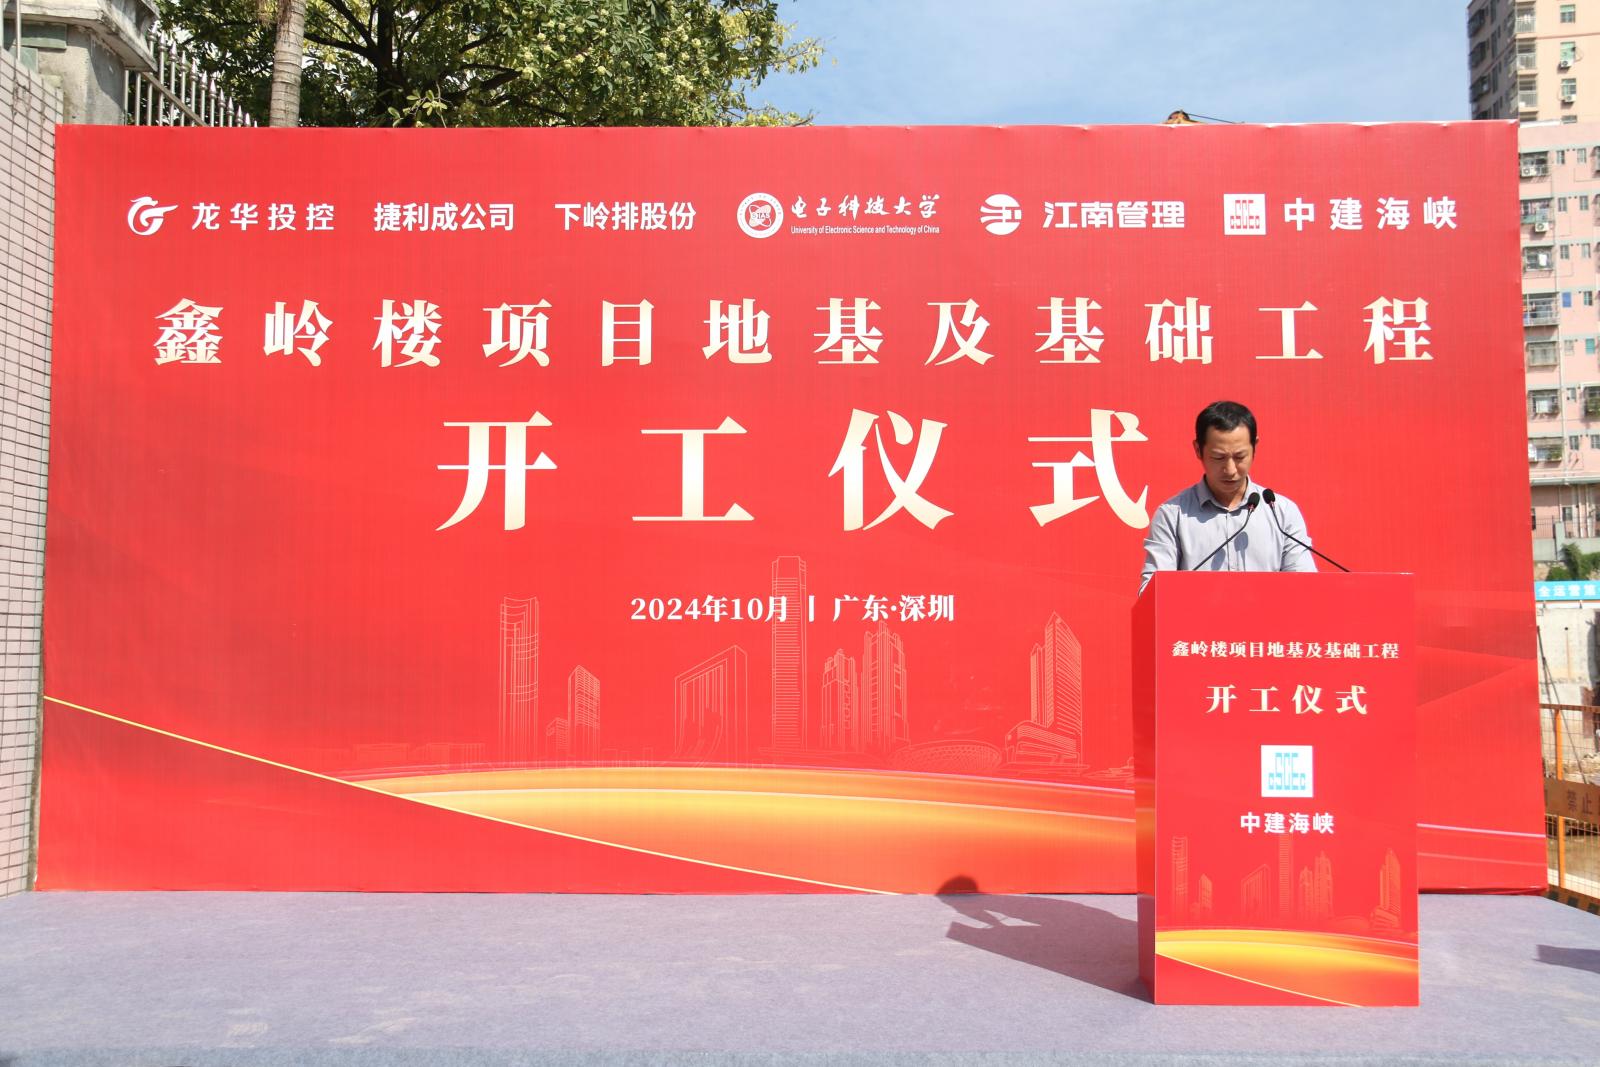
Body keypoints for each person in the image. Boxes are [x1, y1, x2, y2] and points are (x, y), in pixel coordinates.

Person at [1138, 400, 1316, 593]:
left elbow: (1305, 589)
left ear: (1255, 447)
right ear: (1198, 450)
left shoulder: (1281, 512)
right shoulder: (1173, 515)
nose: (1230, 470)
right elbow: (1151, 594)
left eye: (1240, 457)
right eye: (1218, 457)